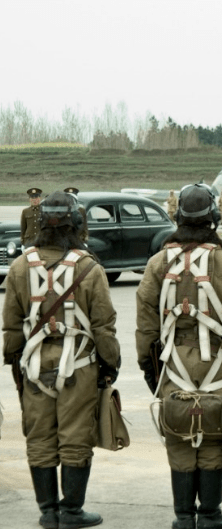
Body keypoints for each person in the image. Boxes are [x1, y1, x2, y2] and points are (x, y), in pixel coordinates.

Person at [136, 183, 222, 529]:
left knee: (178, 437)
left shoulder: (158, 263)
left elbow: (146, 324)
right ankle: (210, 515)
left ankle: (183, 518)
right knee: (214, 437)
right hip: (219, 365)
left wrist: (149, 368)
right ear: (214, 219)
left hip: (172, 365)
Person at [3, 190, 121, 529]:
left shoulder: (20, 267)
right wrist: (110, 364)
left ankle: (47, 513)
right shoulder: (89, 268)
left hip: (35, 366)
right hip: (79, 367)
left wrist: (16, 366)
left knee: (39, 438)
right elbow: (103, 326)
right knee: (75, 437)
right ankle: (71, 512)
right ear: (77, 223)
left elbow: (11, 326)